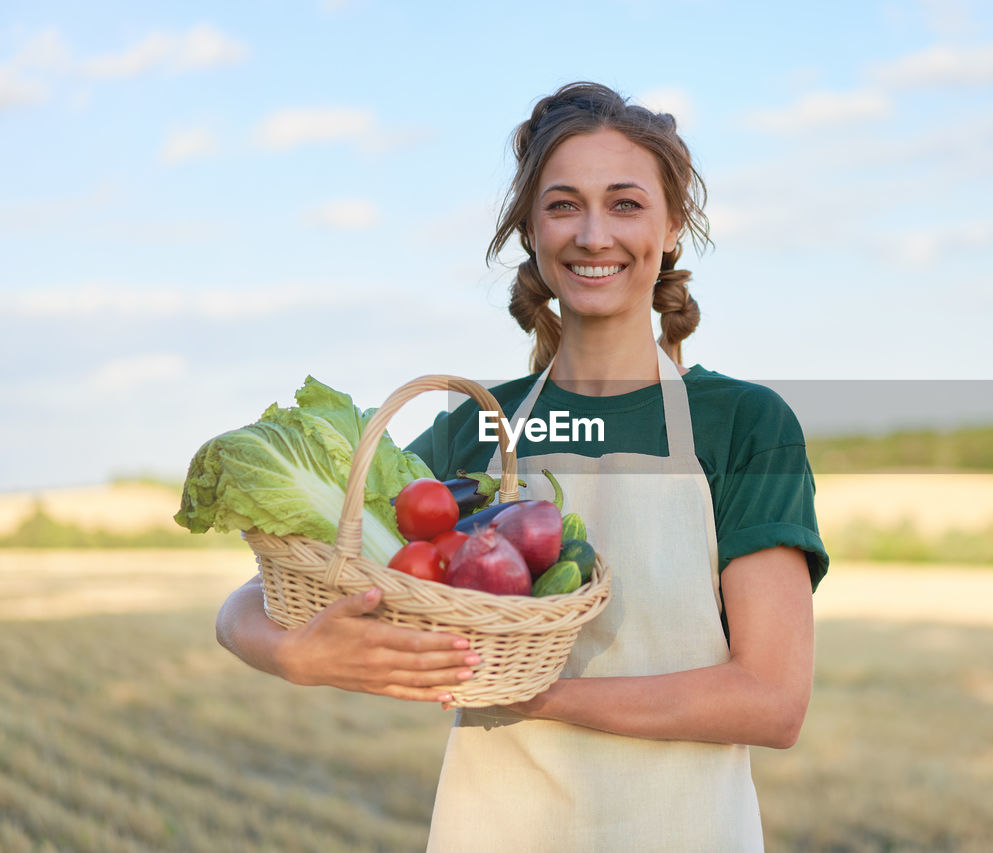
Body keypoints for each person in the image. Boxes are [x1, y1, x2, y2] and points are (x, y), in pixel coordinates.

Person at [216, 81, 827, 851]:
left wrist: (542, 695)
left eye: (626, 204)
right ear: (531, 229)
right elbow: (248, 604)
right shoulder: (477, 428)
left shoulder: (742, 424)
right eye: (564, 204)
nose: (593, 234)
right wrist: (293, 653)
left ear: (672, 227)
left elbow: (771, 699)